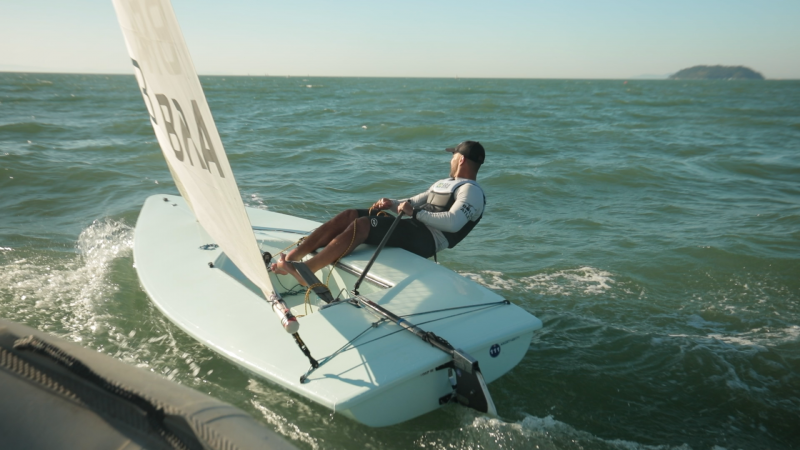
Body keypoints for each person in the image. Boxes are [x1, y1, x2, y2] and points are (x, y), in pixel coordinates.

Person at [271, 141, 486, 285]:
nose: (450, 160)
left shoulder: (472, 192)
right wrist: (391, 203)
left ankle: (306, 272)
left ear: (461, 160)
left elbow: (453, 223)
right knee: (350, 215)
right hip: (412, 227)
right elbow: (412, 202)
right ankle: (292, 258)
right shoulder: (445, 183)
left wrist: (415, 214)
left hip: (428, 240)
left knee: (363, 225)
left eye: (453, 156)